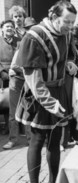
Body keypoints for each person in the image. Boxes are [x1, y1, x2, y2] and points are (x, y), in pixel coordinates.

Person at [15, 0, 77, 183]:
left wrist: (69, 64)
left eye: (72, 23)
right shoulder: (34, 37)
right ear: (53, 17)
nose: (70, 27)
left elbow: (67, 55)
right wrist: (50, 103)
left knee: (56, 139)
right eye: (66, 22)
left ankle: (53, 182)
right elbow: (33, 79)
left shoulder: (66, 33)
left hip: (59, 90)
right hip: (39, 95)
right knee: (37, 140)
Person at [2, 17, 36, 150]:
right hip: (14, 80)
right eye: (7, 27)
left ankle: (30, 139)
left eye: (32, 28)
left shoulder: (25, 41)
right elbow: (13, 65)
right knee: (13, 111)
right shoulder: (19, 42)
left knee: (28, 109)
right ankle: (13, 139)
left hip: (26, 79)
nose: (30, 31)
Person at [0, 20, 20, 136]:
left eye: (11, 27)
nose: (9, 28)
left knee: (15, 103)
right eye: (7, 26)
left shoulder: (19, 41)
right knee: (4, 101)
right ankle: (7, 126)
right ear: (2, 29)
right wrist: (2, 73)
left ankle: (15, 127)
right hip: (2, 76)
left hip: (17, 75)